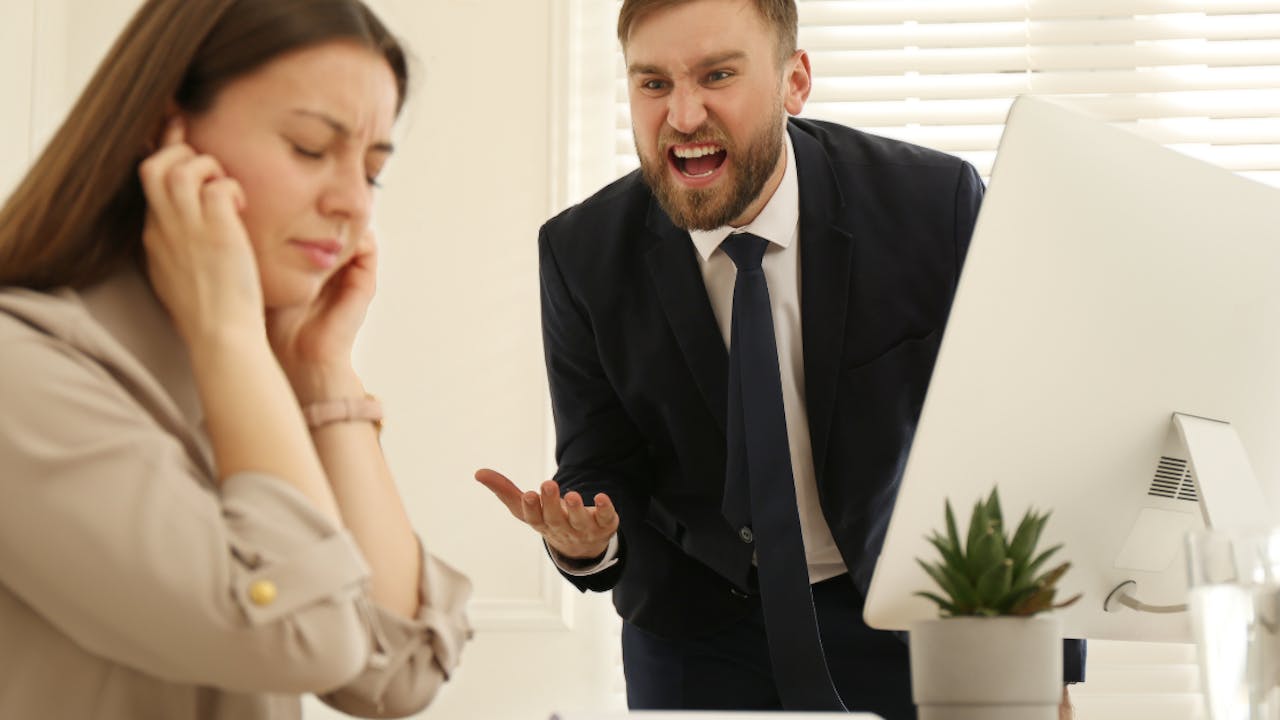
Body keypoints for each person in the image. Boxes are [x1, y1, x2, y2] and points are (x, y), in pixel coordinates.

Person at [477, 0, 1083, 718]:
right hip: (694, 638)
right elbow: (599, 461)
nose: (683, 115)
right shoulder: (580, 254)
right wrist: (583, 542)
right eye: (653, 84)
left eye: (717, 75)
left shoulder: (932, 205)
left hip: (902, 610)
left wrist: (1049, 673)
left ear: (795, 82)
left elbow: (1018, 441)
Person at [0, 1, 470, 718]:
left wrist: (321, 372)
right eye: (311, 148)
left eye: (372, 171)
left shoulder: (236, 383)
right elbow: (308, 639)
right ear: (167, 131)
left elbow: (395, 676)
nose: (352, 204)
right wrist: (230, 332)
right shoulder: (21, 376)